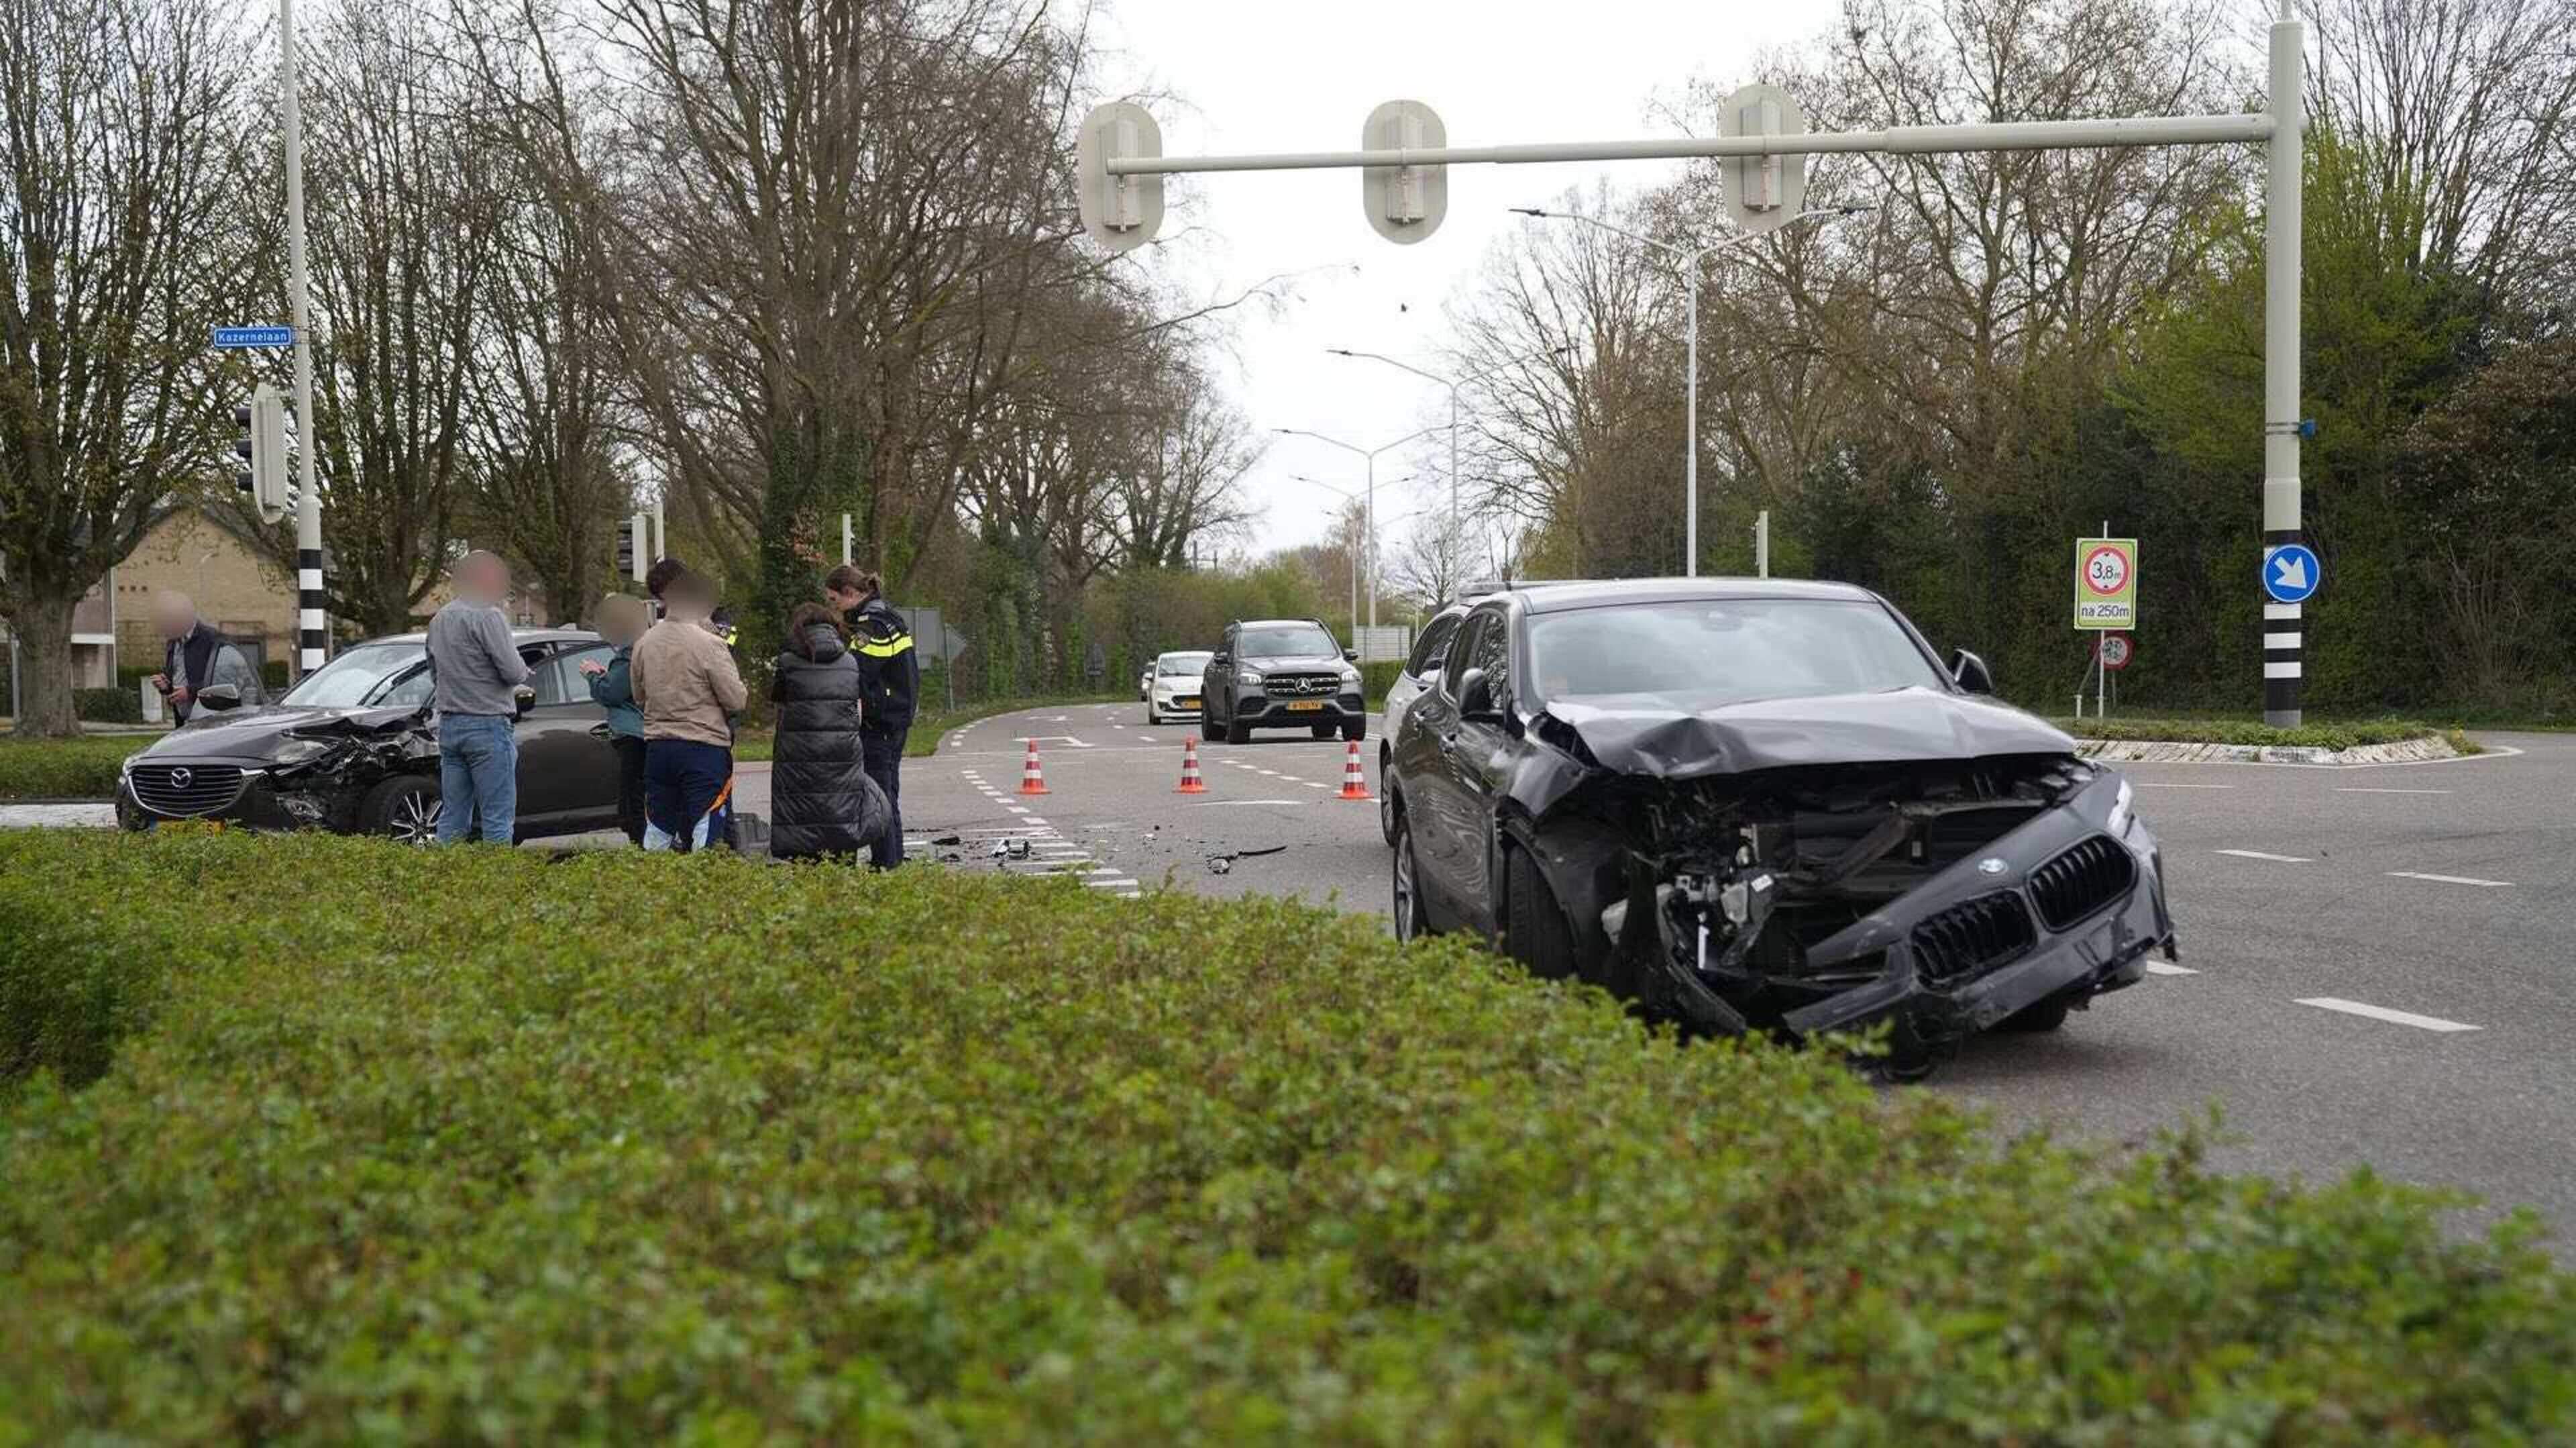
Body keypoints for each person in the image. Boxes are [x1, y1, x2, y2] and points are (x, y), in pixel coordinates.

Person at [629, 568, 747, 852]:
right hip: (702, 748)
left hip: (658, 749)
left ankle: (651, 886)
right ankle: (705, 890)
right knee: (706, 830)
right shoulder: (709, 644)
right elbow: (736, 700)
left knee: (659, 827)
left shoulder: (644, 643)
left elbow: (638, 696)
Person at [767, 601, 888, 861]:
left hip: (798, 752)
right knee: (841, 806)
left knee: (801, 812)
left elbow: (778, 698)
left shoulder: (788, 662)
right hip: (842, 750)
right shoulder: (850, 662)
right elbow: (860, 704)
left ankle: (805, 869)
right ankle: (843, 863)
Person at [425, 551, 531, 844]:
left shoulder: (440, 619)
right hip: (488, 725)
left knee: (454, 816)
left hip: (450, 726)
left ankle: (448, 880)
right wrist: (523, 670)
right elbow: (512, 672)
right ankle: (496, 886)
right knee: (497, 818)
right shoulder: (489, 615)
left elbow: (435, 672)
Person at [824, 564, 918, 869]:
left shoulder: (873, 623)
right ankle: (890, 860)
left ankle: (887, 864)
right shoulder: (885, 615)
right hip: (893, 717)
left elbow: (857, 670)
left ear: (850, 594)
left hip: (882, 722)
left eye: (834, 601)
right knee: (886, 792)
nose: (834, 609)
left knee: (880, 796)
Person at [580, 593, 651, 845]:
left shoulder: (629, 652)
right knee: (637, 797)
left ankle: (642, 847)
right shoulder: (643, 646)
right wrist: (606, 675)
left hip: (632, 733)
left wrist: (591, 675)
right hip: (643, 731)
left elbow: (610, 692)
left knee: (633, 799)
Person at [148, 591, 261, 725]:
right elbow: (177, 677)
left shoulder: (212, 639)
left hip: (207, 718)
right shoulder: (173, 642)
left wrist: (190, 692)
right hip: (182, 719)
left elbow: (225, 682)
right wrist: (165, 685)